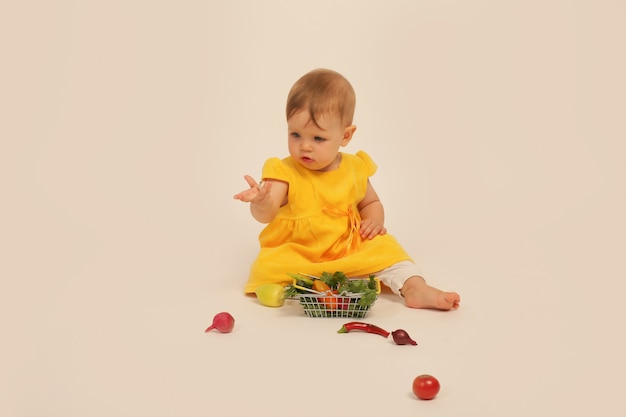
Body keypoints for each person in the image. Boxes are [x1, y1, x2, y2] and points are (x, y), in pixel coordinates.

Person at [234, 68, 460, 310]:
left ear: (346, 135)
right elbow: (266, 214)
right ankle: (305, 288)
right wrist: (260, 201)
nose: (304, 146)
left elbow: (370, 203)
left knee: (389, 249)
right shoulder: (282, 171)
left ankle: (415, 287)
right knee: (268, 265)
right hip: (301, 253)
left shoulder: (355, 167)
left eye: (318, 138)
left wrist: (373, 221)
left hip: (348, 246)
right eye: (295, 134)